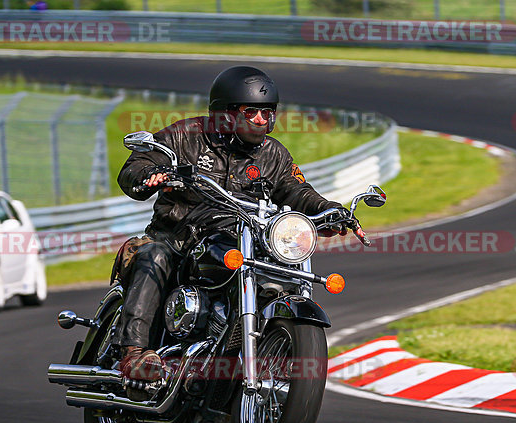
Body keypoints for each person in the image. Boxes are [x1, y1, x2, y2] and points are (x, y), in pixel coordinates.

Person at [113, 66, 359, 387]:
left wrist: (331, 211)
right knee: (154, 256)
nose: (261, 120)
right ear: (225, 113)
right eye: (251, 112)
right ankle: (135, 353)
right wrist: (151, 173)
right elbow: (139, 163)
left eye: (267, 112)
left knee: (276, 268)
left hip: (240, 238)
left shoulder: (273, 155)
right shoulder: (185, 136)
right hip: (178, 239)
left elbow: (297, 189)